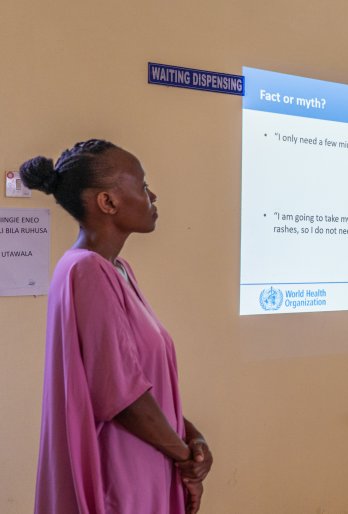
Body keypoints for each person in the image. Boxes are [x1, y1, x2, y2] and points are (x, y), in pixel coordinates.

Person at [21, 139, 213, 514]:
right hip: (122, 474)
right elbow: (120, 395)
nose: (152, 194)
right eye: (142, 185)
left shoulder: (117, 271)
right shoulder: (87, 269)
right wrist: (185, 456)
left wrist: (194, 437)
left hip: (148, 458)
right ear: (107, 202)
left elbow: (139, 380)